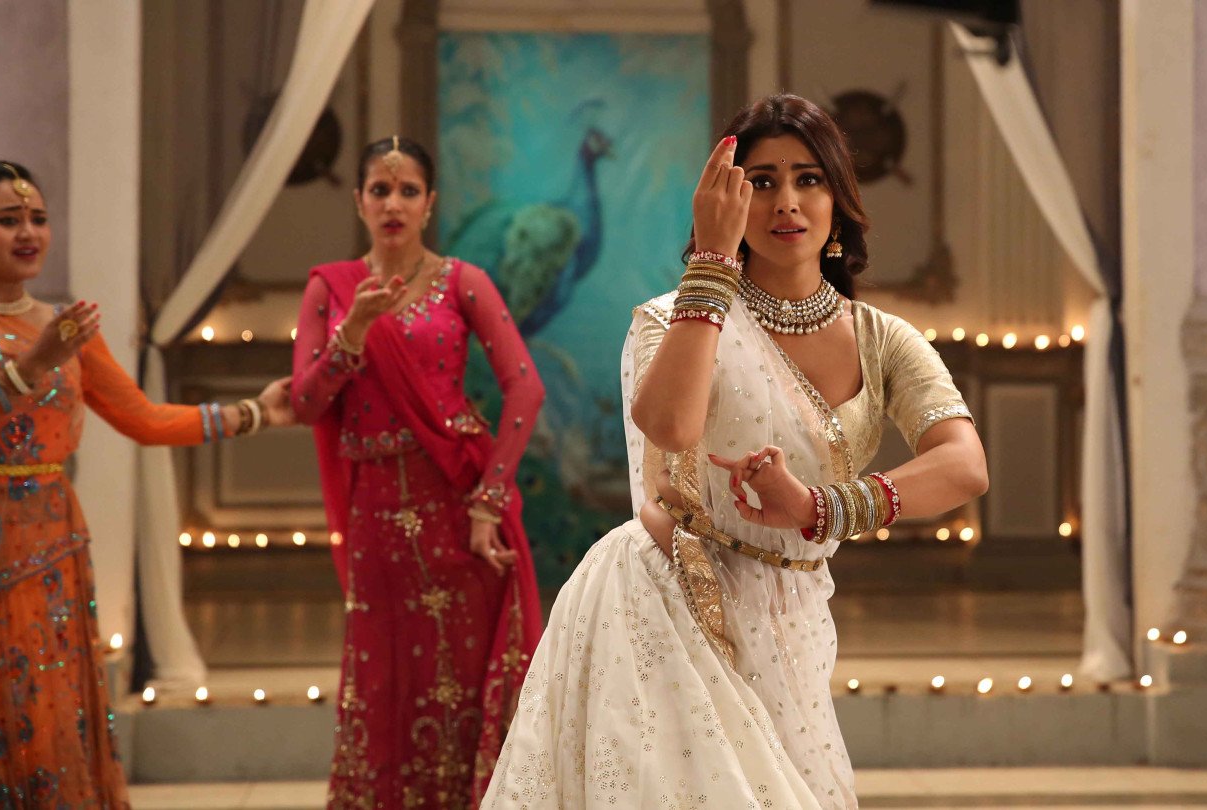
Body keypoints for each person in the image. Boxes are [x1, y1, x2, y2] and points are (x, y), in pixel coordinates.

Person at [481, 94, 989, 808]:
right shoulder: (672, 319)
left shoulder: (881, 340)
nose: (787, 202)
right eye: (761, 181)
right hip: (665, 602)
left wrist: (819, 507)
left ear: (838, 201)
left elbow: (964, 465)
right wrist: (713, 266)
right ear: (728, 200)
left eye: (809, 179)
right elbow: (670, 426)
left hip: (796, 614)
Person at [0, 159, 294, 807]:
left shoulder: (64, 329)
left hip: (52, 544)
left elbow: (144, 419)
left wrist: (254, 413)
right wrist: (27, 369)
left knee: (45, 704)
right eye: (9, 220)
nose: (30, 233)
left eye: (39, 219)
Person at [291, 136, 545, 808]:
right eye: (380, 190)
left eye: (408, 191)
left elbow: (526, 388)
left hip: (457, 512)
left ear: (430, 203)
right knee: (385, 681)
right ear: (359, 201)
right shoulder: (330, 288)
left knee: (462, 682)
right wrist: (352, 334)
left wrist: (489, 502)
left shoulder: (463, 282)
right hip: (374, 518)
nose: (393, 204)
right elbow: (306, 403)